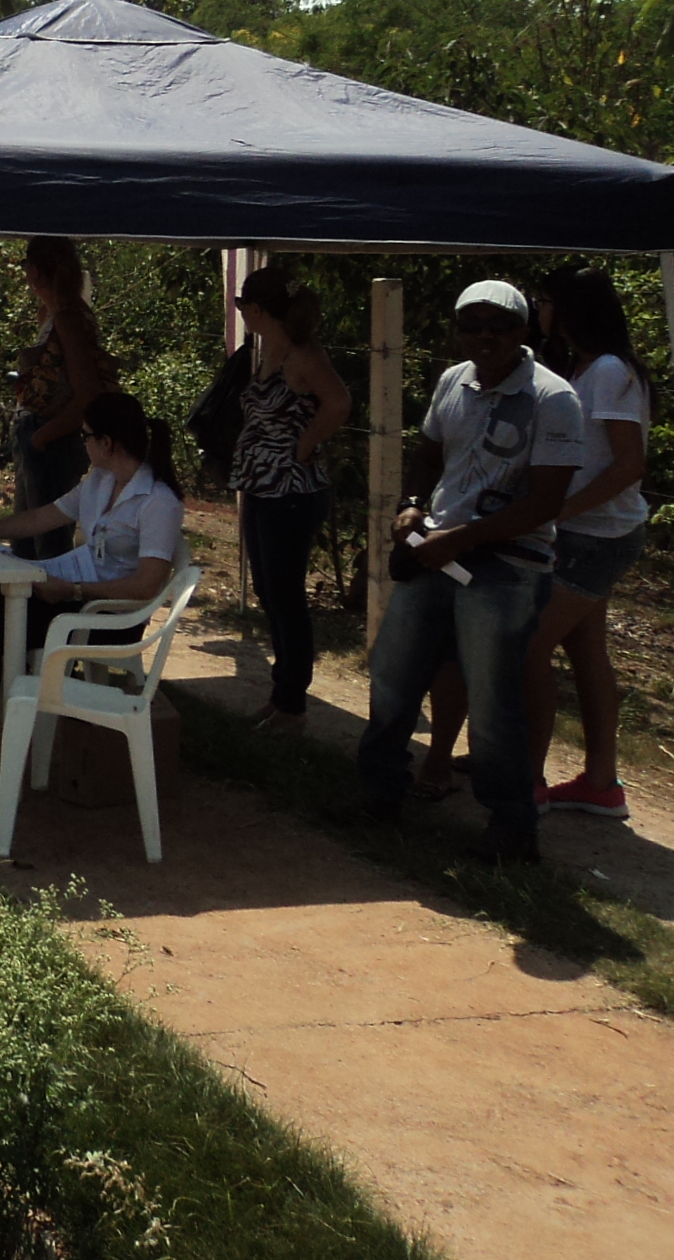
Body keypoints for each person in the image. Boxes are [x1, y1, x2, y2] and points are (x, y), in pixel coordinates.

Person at [356, 281, 581, 861]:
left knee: (491, 700)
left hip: (506, 566)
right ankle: (378, 793)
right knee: (392, 673)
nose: (486, 335)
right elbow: (429, 454)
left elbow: (545, 503)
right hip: (437, 551)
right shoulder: (452, 381)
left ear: (524, 329)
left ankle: (512, 828)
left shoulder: (553, 399)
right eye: (472, 324)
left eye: (500, 325)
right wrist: (411, 505)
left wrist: (463, 537)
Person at [0, 391, 187, 779]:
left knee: (4, 615)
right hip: (74, 593)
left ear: (107, 443)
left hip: (107, 616)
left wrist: (72, 592)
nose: (82, 442)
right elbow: (39, 519)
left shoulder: (158, 501)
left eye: (86, 435)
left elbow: (146, 585)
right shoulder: (100, 483)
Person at [523, 268, 651, 818]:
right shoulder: (583, 366)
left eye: (544, 300)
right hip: (586, 533)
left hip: (594, 537)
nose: (538, 309)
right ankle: (601, 783)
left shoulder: (607, 372)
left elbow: (628, 464)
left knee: (527, 646)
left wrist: (560, 510)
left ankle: (525, 778)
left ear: (570, 308)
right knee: (585, 651)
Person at [232, 268, 351, 734]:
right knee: (269, 591)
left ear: (259, 310)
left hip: (293, 493)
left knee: (286, 597)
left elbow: (338, 403)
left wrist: (301, 449)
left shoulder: (305, 356)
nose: (241, 312)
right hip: (262, 489)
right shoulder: (268, 352)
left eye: (244, 306)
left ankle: (293, 705)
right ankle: (281, 695)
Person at [11, 237, 115, 560]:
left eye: (27, 266)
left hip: (54, 443)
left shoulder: (70, 319)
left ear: (38, 273)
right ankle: (25, 610)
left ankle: (50, 610)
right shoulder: (52, 314)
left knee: (48, 548)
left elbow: (87, 394)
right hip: (40, 437)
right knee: (24, 544)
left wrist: (43, 437)